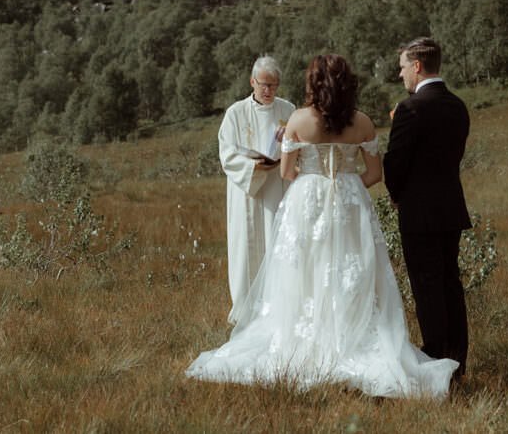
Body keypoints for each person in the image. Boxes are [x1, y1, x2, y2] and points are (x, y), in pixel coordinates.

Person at [188, 54, 458, 398]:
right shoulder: (361, 122)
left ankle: (305, 338)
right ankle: (353, 334)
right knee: (353, 269)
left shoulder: (299, 119)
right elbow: (375, 174)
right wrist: (347, 184)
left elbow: (286, 172)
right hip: (350, 201)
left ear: (313, 84)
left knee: (306, 269)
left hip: (308, 201)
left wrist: (314, 183)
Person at [383, 37, 472, 385]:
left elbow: (396, 161)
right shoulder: (458, 105)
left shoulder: (410, 108)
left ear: (417, 66)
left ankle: (437, 360)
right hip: (450, 207)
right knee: (450, 284)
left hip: (419, 212)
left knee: (427, 288)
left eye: (403, 66)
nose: (401, 73)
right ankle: (458, 363)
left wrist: (396, 193)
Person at [218, 55, 296, 323]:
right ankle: (245, 309)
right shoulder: (235, 113)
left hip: (277, 184)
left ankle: (279, 306)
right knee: (246, 247)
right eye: (263, 84)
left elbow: (299, 145)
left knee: (276, 242)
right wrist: (253, 167)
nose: (268, 91)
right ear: (252, 81)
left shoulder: (288, 110)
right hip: (246, 191)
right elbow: (227, 154)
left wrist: (284, 149)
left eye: (273, 86)